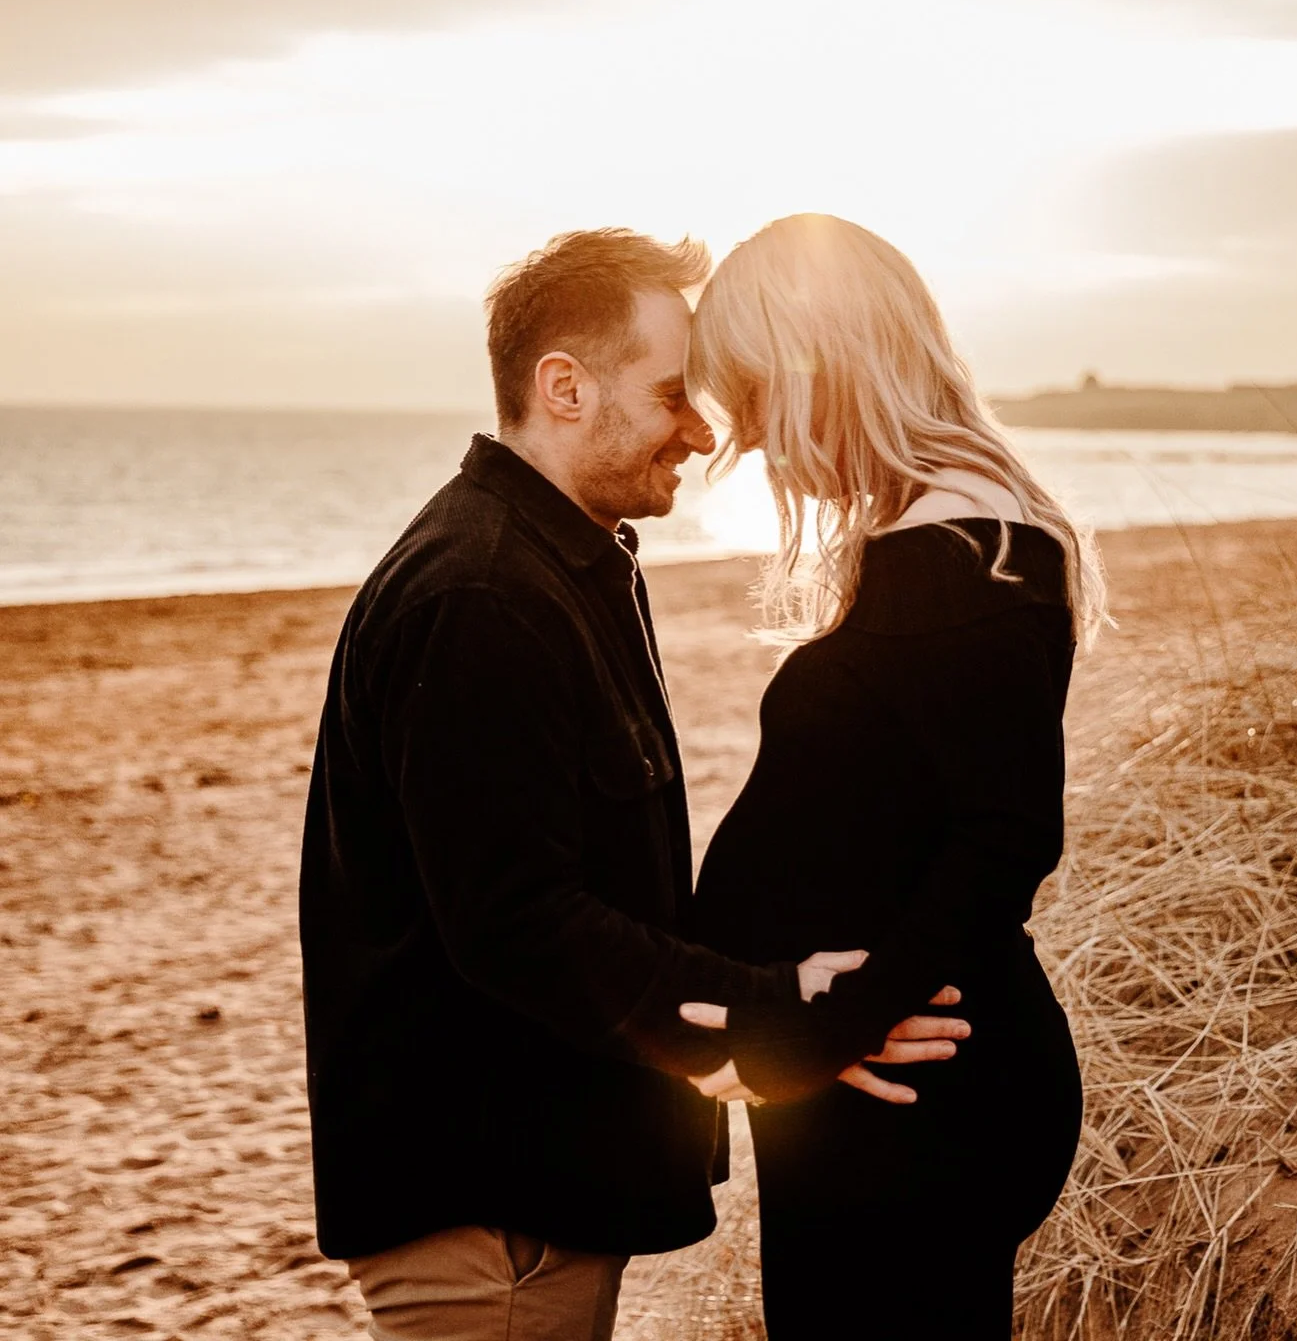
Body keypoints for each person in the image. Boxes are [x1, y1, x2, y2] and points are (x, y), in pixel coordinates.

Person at [298, 228, 969, 1341]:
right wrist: (775, 1016)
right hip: (488, 1214)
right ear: (563, 388)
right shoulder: (480, 595)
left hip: (534, 1192)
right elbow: (518, 921)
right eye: (672, 395)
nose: (704, 433)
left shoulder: (567, 562)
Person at [679, 214, 1109, 1339]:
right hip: (899, 1090)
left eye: (758, 404)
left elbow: (1007, 838)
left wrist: (825, 1037)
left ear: (818, 367)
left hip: (918, 1092)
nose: (757, 447)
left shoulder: (964, 550)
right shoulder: (955, 539)